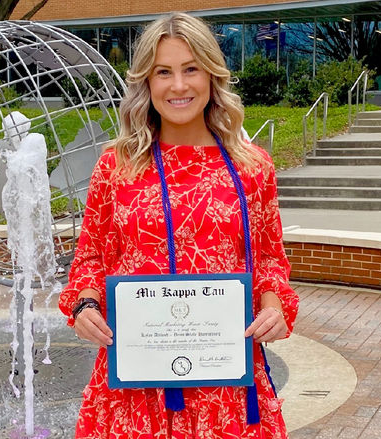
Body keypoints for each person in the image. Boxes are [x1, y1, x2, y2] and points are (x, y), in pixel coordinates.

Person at [58, 11, 299, 438]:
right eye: (163, 72)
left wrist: (274, 308)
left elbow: (269, 262)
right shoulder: (117, 166)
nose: (179, 85)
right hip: (136, 384)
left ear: (211, 75)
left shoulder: (252, 167)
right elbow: (91, 257)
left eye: (191, 69)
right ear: (146, 83)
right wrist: (86, 306)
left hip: (226, 384)